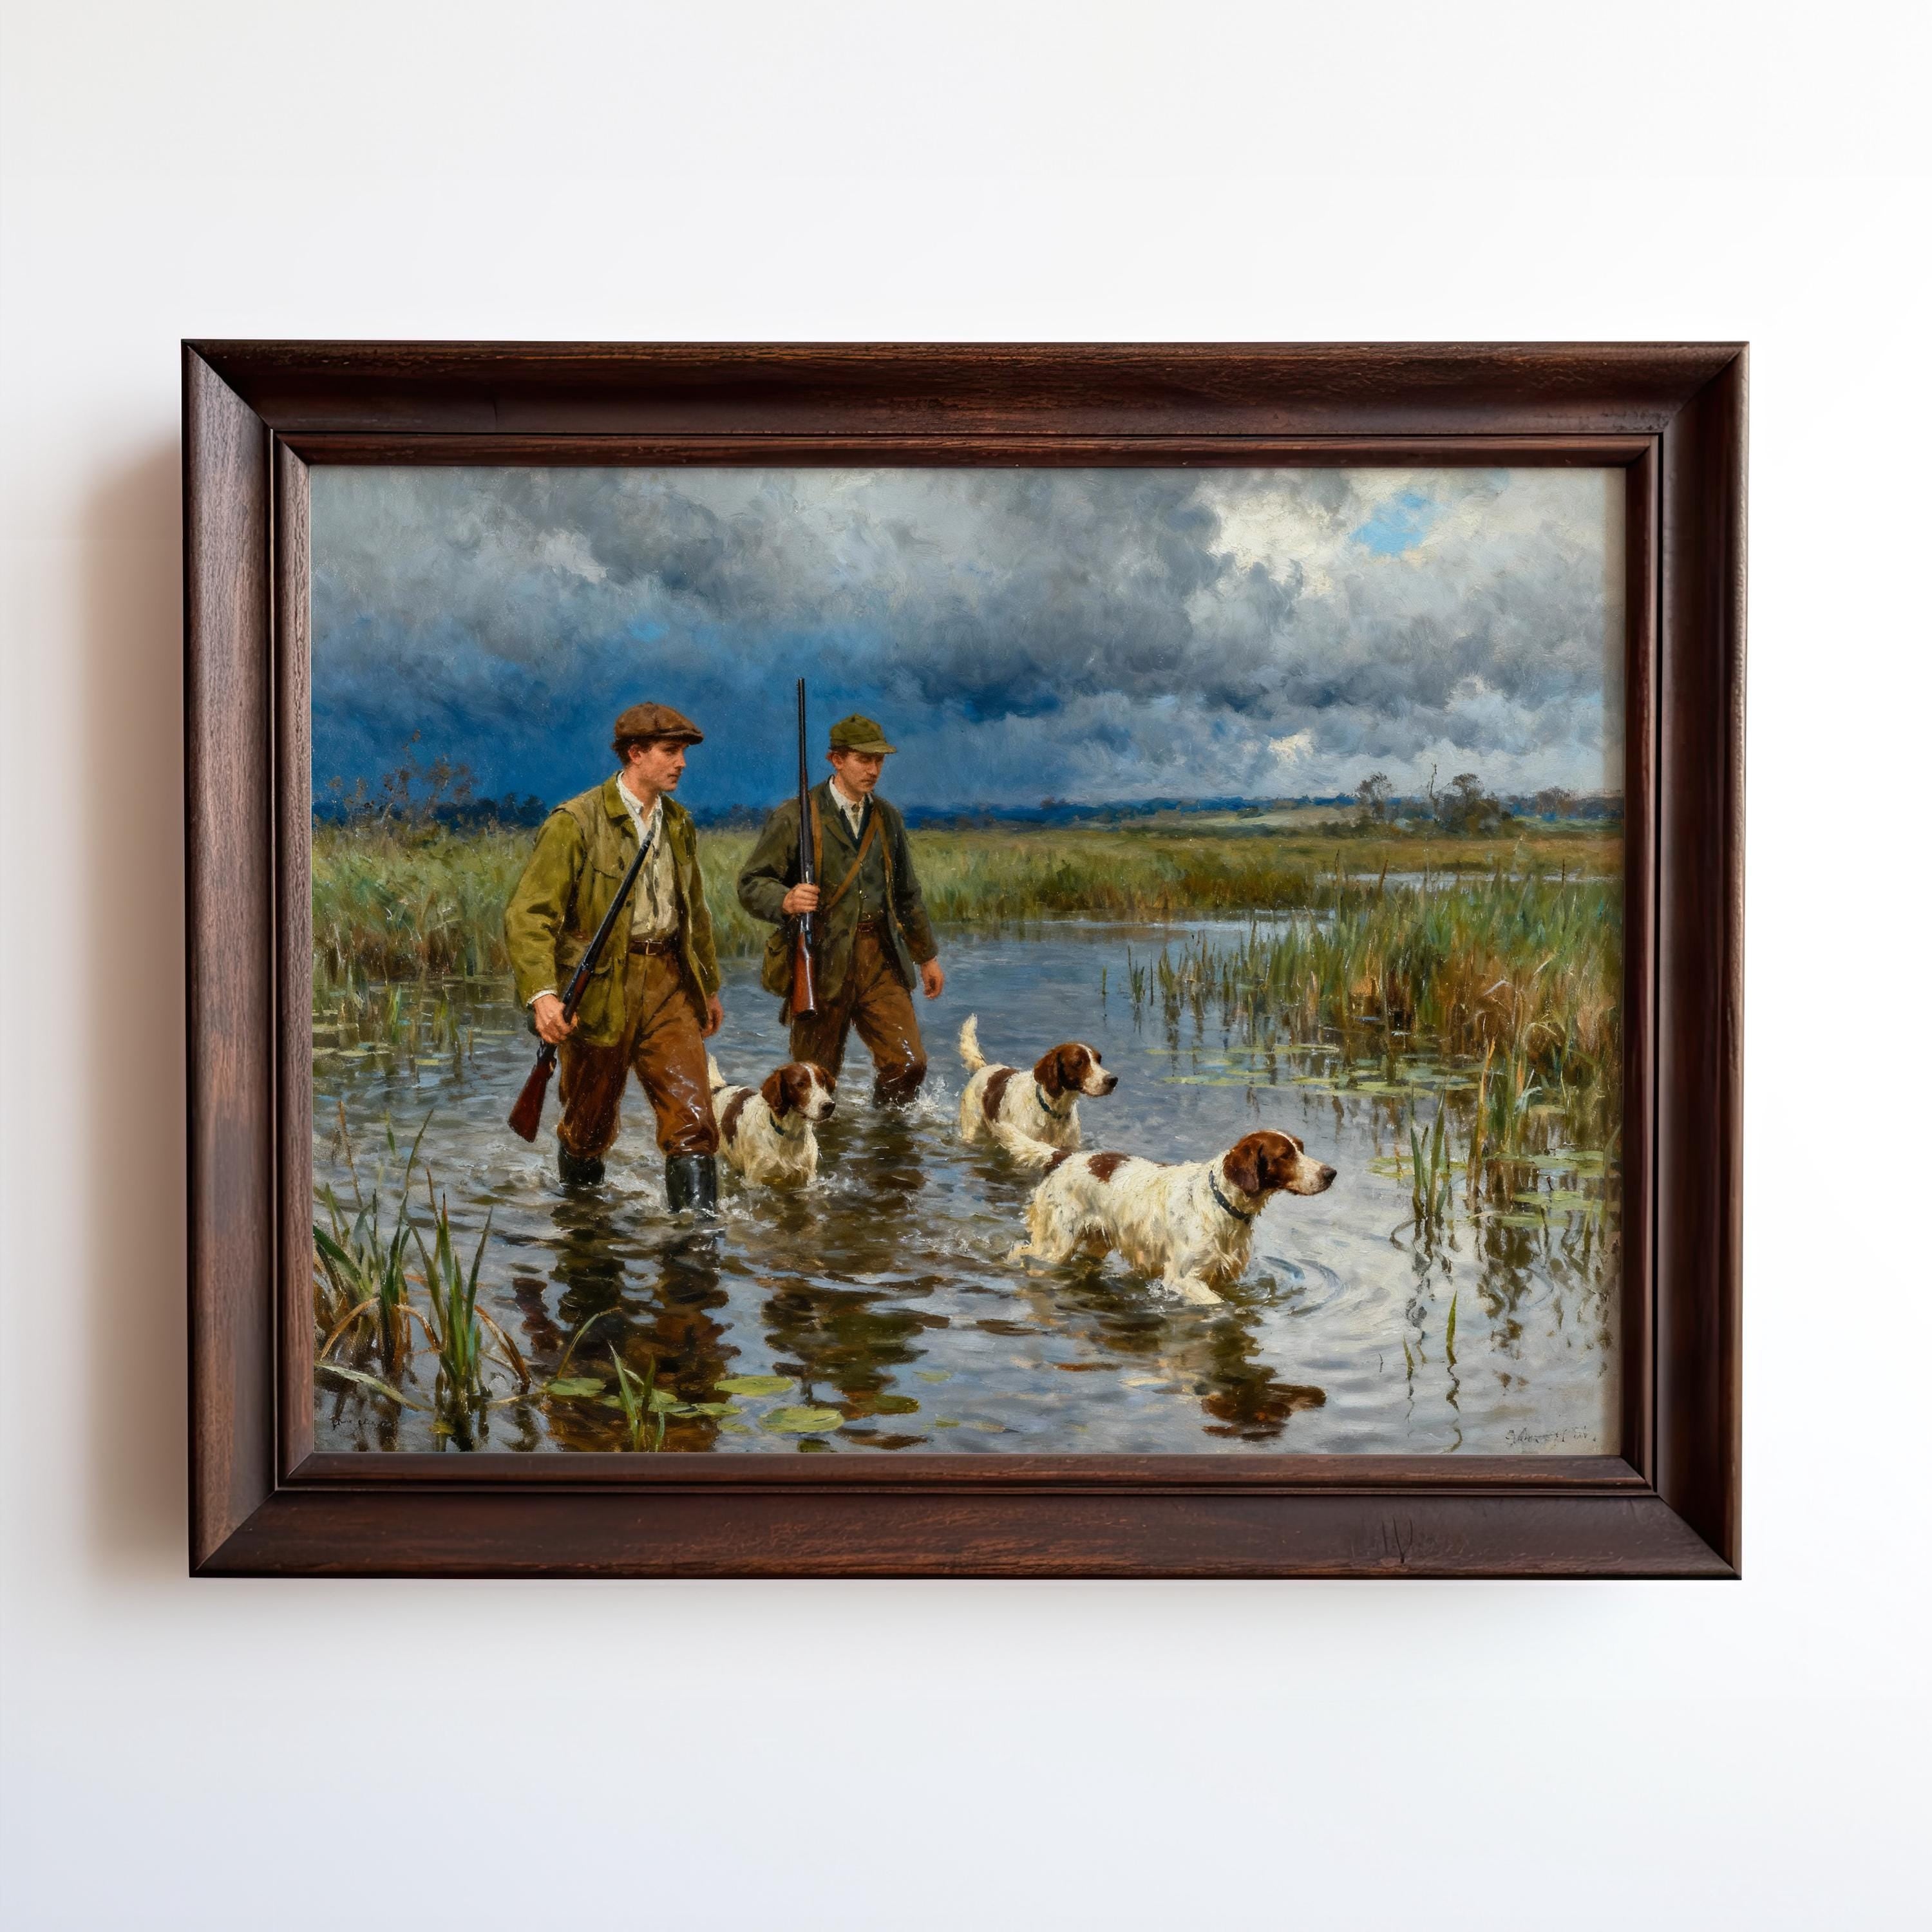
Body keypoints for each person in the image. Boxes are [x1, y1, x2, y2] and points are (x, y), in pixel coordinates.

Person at [504, 703, 724, 1209]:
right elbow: (529, 916)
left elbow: (695, 912)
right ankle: (584, 1235)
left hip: (669, 981)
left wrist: (707, 987)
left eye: (684, 752)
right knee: (588, 1125)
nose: (682, 763)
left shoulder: (680, 824)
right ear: (635, 754)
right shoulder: (575, 822)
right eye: (671, 752)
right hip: (602, 989)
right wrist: (542, 996)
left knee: (694, 1121)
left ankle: (695, 1253)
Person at [737, 712, 944, 1104]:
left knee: (909, 1063)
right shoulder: (794, 816)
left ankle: (888, 1148)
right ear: (836, 760)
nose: (874, 770)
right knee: (812, 1082)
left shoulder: (887, 818)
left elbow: (907, 893)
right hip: (820, 958)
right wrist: (785, 900)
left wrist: (927, 956)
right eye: (864, 759)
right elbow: (751, 883)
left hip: (879, 959)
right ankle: (818, 1158)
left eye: (879, 760)